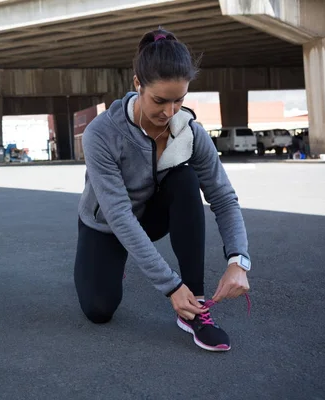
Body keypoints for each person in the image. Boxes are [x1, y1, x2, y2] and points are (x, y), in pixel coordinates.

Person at [74, 28, 251, 352]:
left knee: (185, 179)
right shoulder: (101, 133)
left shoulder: (190, 133)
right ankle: (117, 264)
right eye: (159, 100)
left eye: (179, 100)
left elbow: (224, 198)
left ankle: (194, 307)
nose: (169, 112)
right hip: (107, 225)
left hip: (153, 215)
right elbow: (118, 216)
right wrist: (170, 285)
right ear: (137, 84)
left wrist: (239, 260)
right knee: (98, 310)